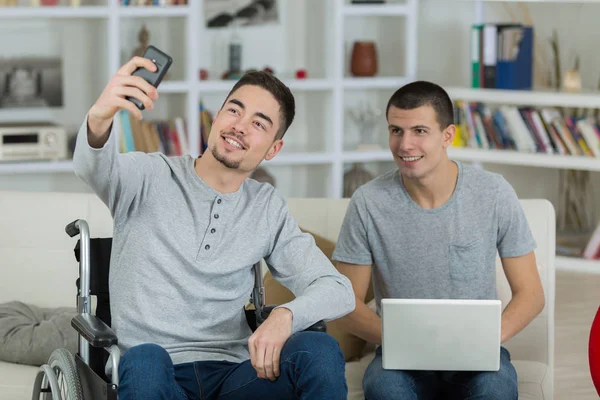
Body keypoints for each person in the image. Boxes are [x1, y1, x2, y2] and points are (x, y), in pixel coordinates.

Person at [72, 56, 355, 400]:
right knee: (145, 357)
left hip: (235, 376)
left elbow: (338, 290)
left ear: (273, 149)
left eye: (259, 123)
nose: (240, 126)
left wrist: (285, 315)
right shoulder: (147, 176)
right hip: (155, 375)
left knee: (319, 349)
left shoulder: (265, 206)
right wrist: (100, 116)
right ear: (216, 117)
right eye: (234, 110)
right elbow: (92, 165)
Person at [331, 80, 545, 399]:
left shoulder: (494, 192)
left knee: (497, 390)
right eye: (396, 130)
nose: (404, 145)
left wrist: (488, 336)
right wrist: (404, 338)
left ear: (448, 135)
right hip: (400, 357)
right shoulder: (368, 202)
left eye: (419, 131)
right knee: (384, 389)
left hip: (478, 355)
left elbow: (531, 294)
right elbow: (345, 303)